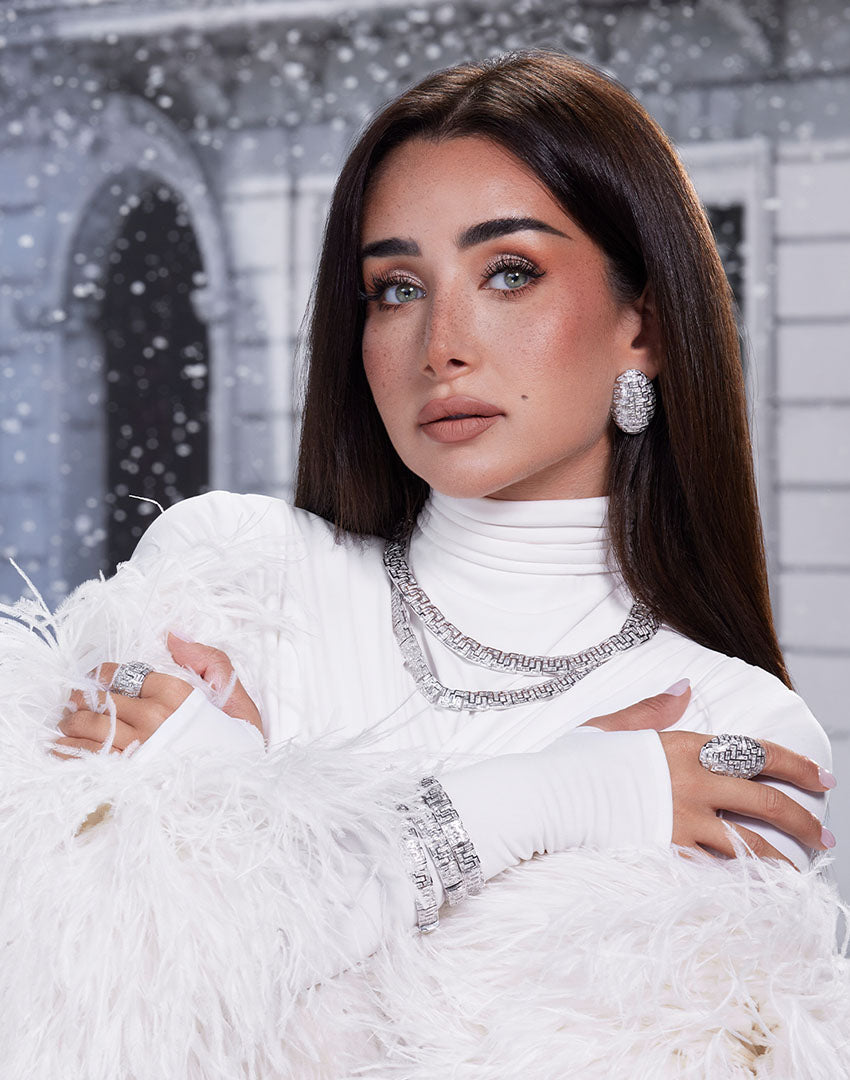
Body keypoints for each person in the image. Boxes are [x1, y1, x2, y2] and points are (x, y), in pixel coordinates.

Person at [37, 47, 841, 1074]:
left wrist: (230, 827)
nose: (441, 345)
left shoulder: (731, 727)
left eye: (509, 272)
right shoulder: (234, 572)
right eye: (396, 287)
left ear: (642, 326)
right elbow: (75, 997)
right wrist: (555, 800)